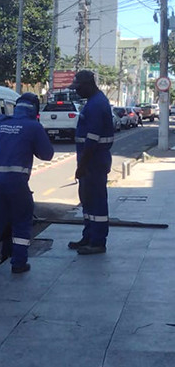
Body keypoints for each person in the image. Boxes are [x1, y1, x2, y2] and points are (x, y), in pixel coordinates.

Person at [0, 92, 54, 281]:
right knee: (22, 221)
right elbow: (47, 155)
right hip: (17, 184)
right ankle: (18, 263)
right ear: (35, 110)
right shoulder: (33, 127)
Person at [67, 70, 114, 255]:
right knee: (87, 201)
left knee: (96, 202)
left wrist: (82, 166)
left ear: (88, 84)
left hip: (93, 162)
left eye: (79, 88)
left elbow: (91, 140)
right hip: (90, 161)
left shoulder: (96, 105)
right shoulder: (93, 102)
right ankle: (88, 236)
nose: (77, 92)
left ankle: (97, 242)